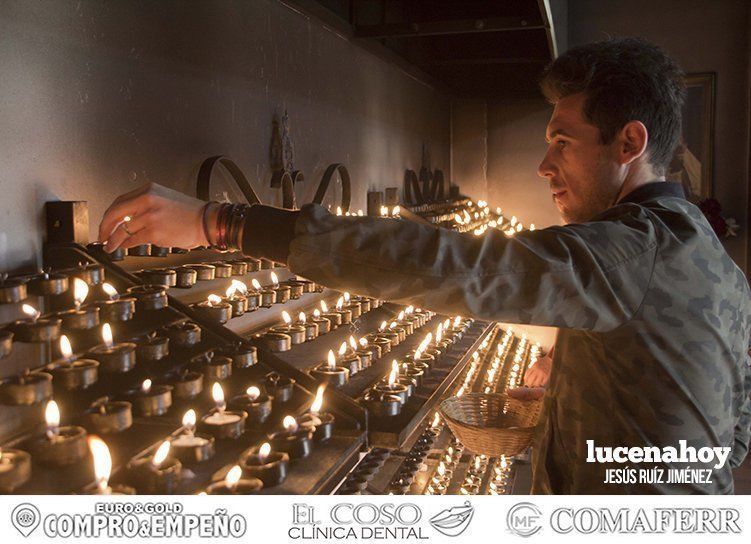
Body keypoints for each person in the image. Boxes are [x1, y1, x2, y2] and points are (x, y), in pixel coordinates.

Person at [99, 38, 751, 494]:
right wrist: (594, 389)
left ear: (629, 143)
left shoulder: (627, 252)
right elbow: (733, 430)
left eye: (561, 141)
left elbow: (457, 267)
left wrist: (223, 223)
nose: (544, 167)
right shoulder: (712, 262)